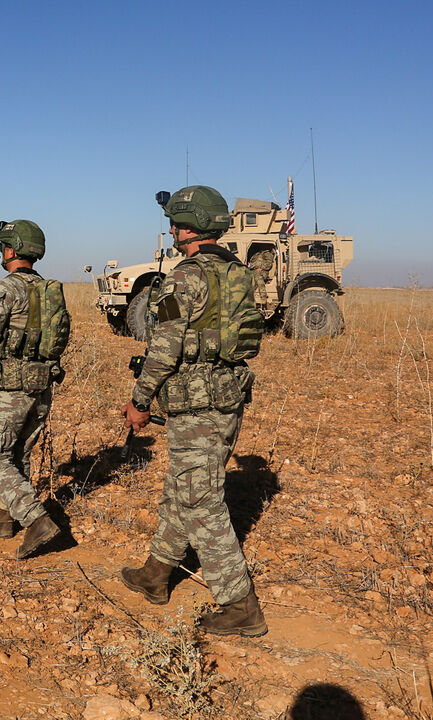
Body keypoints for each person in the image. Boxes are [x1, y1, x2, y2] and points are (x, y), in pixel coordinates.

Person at [119, 185, 268, 637]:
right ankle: (156, 573)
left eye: (175, 223)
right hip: (228, 396)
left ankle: (240, 604)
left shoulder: (183, 278)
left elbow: (162, 350)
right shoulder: (238, 273)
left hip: (195, 401)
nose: (171, 230)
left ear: (187, 228)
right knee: (184, 486)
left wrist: (140, 400)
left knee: (200, 498)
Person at [0, 220, 70, 560]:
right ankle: (6, 515)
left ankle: (36, 520)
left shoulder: (6, 290)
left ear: (10, 251)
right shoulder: (50, 290)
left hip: (10, 387)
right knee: (19, 450)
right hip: (41, 384)